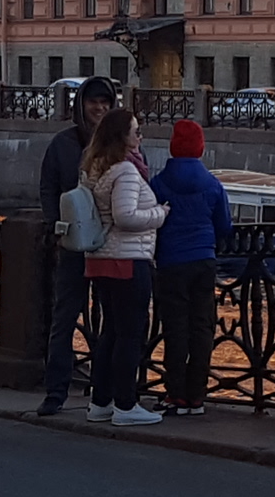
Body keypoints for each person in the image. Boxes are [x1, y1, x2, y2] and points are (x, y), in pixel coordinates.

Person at [33, 74, 119, 419]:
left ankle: (105, 393)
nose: (99, 108)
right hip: (73, 245)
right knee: (64, 318)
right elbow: (47, 188)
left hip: (110, 245)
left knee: (112, 319)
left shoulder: (118, 143)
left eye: (105, 103)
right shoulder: (62, 144)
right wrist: (57, 227)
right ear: (81, 105)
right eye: (93, 102)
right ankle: (55, 392)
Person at [76, 106, 167, 426]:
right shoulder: (126, 170)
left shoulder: (96, 166)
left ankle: (100, 402)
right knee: (130, 334)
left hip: (101, 259)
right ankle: (126, 405)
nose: (140, 137)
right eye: (136, 131)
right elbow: (125, 216)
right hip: (127, 260)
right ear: (122, 137)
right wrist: (160, 214)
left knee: (111, 332)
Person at [148, 117, 233, 417]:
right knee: (201, 327)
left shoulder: (158, 183)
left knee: (175, 328)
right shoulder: (212, 184)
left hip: (171, 262)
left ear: (173, 147)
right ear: (200, 148)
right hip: (204, 261)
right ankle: (197, 396)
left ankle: (176, 394)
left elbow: (151, 221)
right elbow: (225, 225)